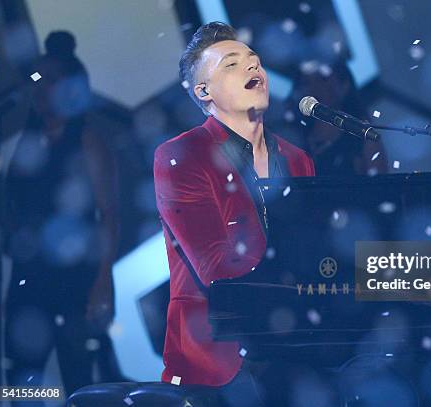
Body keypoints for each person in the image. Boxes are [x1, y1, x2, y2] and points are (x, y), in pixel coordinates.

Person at [153, 21, 315, 403]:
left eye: (254, 61)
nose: (252, 68)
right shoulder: (182, 155)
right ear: (203, 91)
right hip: (216, 361)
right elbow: (216, 266)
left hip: (292, 350)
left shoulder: (298, 159)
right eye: (232, 63)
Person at [4, 31, 120, 399]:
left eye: (50, 80)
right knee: (23, 377)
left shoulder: (86, 141)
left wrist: (102, 281)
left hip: (75, 280)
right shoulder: (22, 141)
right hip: (28, 277)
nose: (40, 88)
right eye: (36, 79)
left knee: (80, 378)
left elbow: (108, 213)